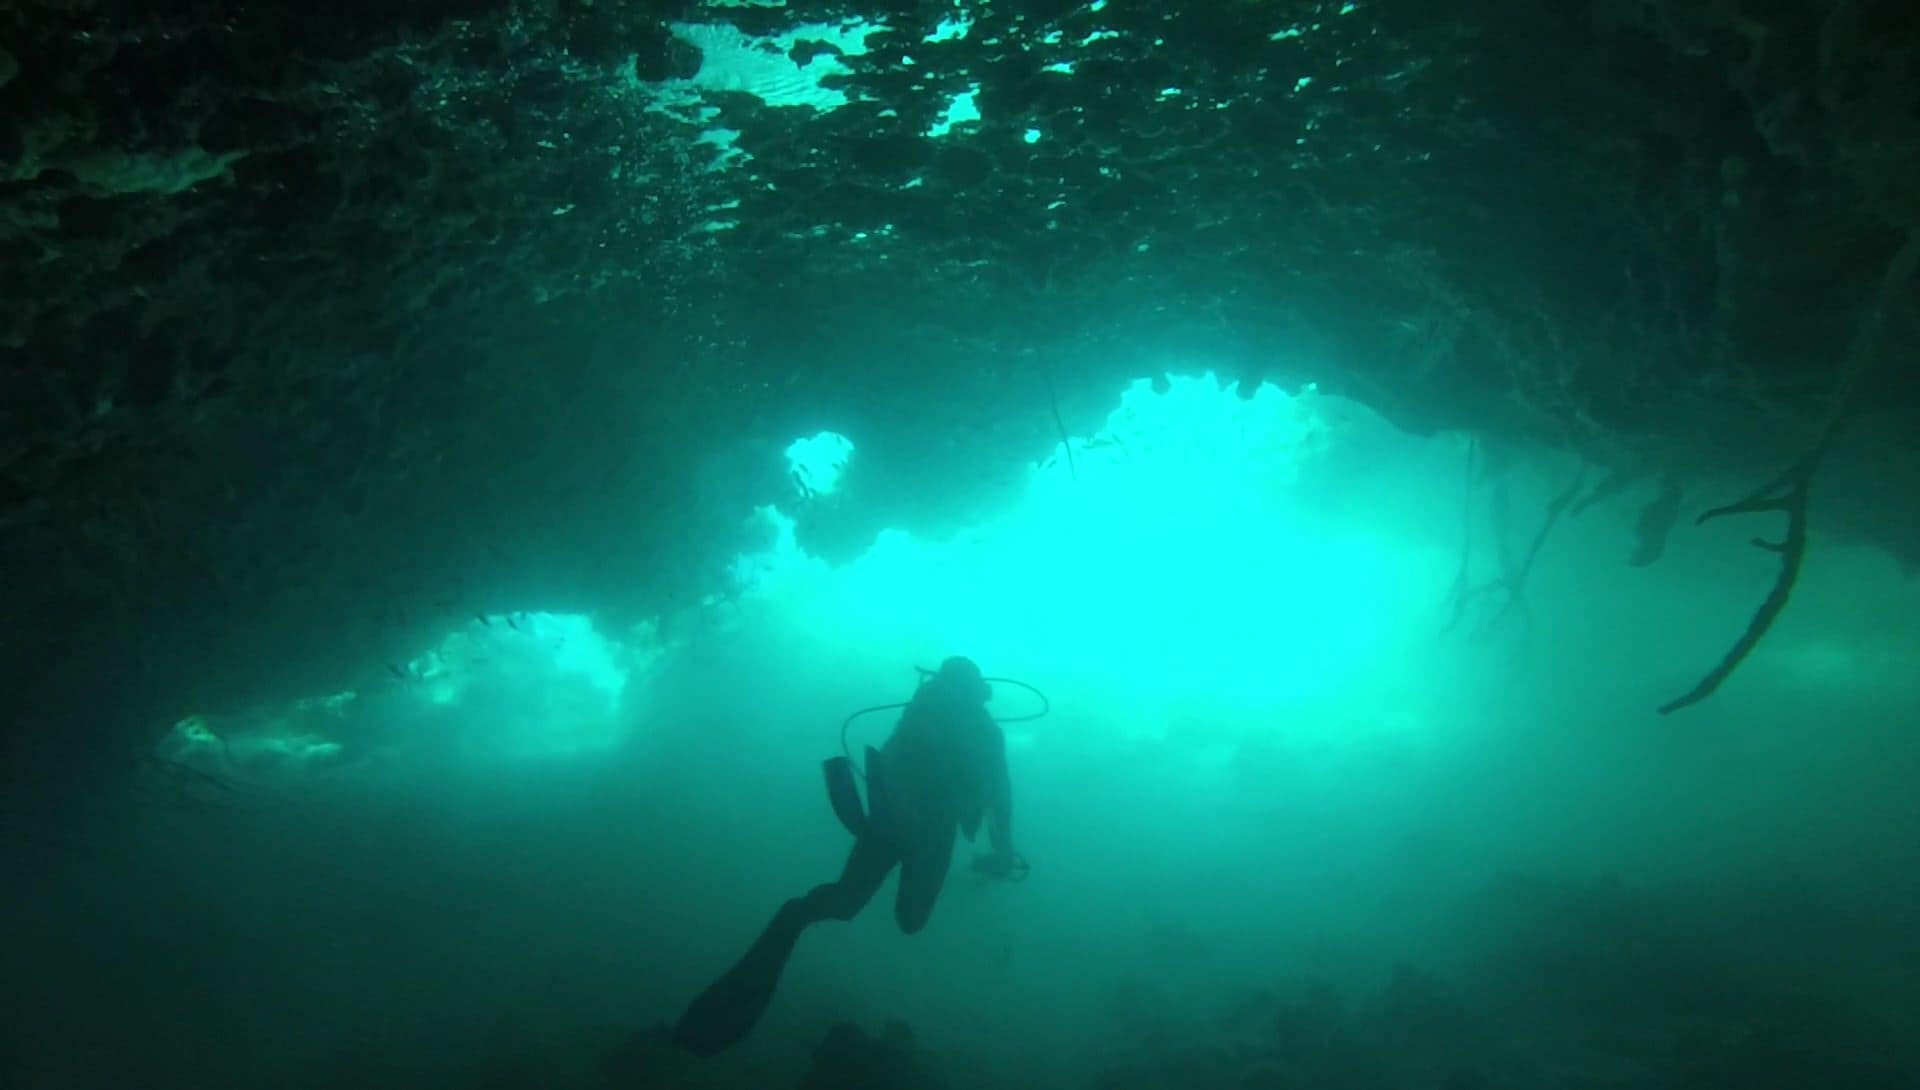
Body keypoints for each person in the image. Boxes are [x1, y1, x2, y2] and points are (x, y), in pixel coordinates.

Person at [672, 656, 1022, 1056]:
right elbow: (999, 795)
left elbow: (893, 762)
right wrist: (1002, 849)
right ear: (979, 691)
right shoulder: (983, 730)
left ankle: (796, 914)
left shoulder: (922, 709)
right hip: (929, 836)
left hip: (888, 824)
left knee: (845, 901)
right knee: (910, 920)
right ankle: (966, 875)